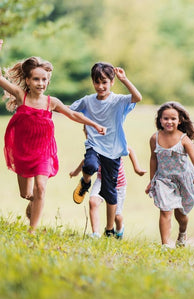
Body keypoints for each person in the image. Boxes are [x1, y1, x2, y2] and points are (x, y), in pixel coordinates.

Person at [0, 39, 106, 233]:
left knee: (41, 187)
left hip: (43, 151)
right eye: (36, 79)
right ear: (27, 81)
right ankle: (32, 201)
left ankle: (32, 231)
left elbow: (74, 114)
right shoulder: (20, 95)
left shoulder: (52, 102)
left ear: (48, 81)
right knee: (26, 193)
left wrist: (95, 124)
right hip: (23, 150)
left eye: (44, 80)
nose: (41, 83)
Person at [70, 62, 142, 238]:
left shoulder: (118, 101)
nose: (100, 86)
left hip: (113, 151)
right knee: (90, 166)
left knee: (110, 194)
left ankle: (109, 229)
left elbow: (137, 97)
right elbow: (69, 111)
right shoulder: (87, 101)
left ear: (112, 82)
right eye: (97, 82)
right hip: (94, 144)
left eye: (104, 82)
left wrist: (125, 79)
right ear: (92, 82)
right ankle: (85, 182)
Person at [145, 102, 194, 248]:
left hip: (183, 180)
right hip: (163, 179)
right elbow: (153, 159)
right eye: (165, 118)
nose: (169, 122)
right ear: (159, 120)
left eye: (173, 119)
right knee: (165, 211)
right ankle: (165, 244)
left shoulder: (183, 139)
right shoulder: (155, 138)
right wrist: (152, 181)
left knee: (181, 215)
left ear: (179, 120)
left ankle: (182, 233)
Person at [70, 139, 146, 239]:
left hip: (118, 185)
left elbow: (130, 150)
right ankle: (96, 234)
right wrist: (76, 172)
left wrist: (137, 169)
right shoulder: (94, 145)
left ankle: (119, 231)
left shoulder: (114, 142)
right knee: (93, 202)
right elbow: (86, 161)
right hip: (101, 180)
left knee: (117, 216)